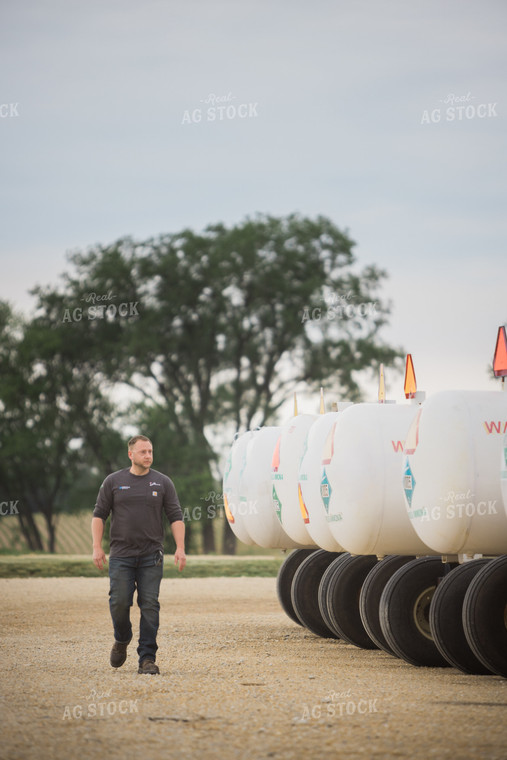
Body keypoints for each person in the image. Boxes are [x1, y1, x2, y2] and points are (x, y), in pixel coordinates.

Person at [91, 434, 186, 674]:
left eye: (151, 451)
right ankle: (122, 638)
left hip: (151, 556)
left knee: (150, 605)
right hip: (121, 555)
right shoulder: (113, 481)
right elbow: (99, 515)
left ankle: (147, 659)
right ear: (130, 454)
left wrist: (180, 548)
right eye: (143, 452)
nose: (148, 456)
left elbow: (175, 516)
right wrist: (96, 547)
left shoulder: (163, 483)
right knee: (119, 602)